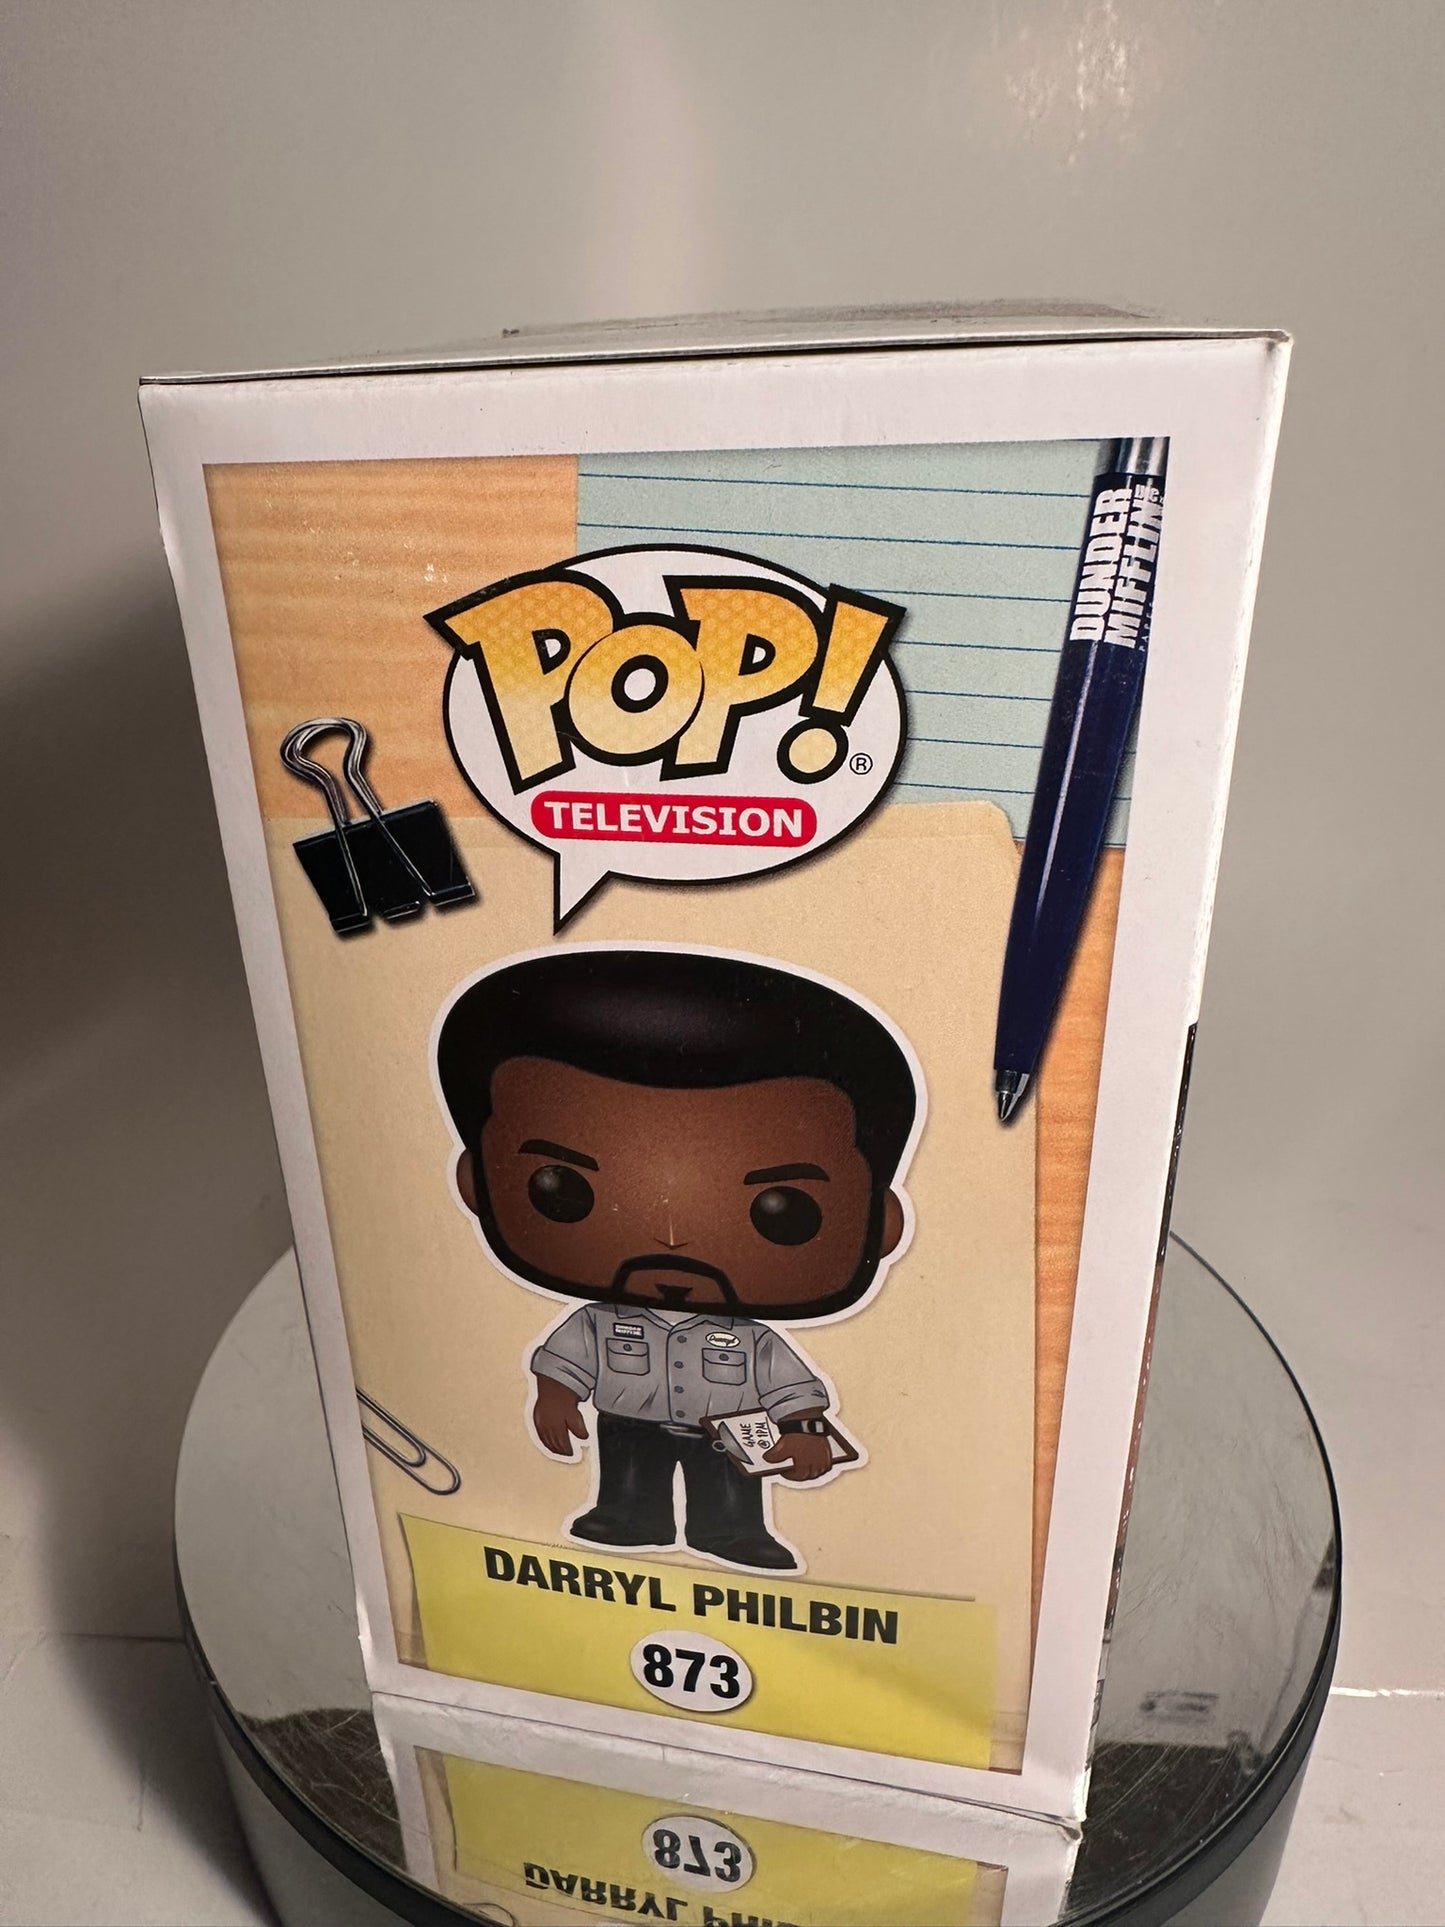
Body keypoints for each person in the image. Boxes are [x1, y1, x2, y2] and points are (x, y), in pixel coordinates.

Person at [436, 947, 920, 1571]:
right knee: (628, 1484)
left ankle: (733, 1533)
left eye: (783, 1211)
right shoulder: (600, 1322)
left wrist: (804, 1434)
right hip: (627, 1422)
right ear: (478, 1184)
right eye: (561, 1188)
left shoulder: (751, 1339)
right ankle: (627, 1516)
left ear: (881, 1225)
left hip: (728, 1431)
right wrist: (554, 1398)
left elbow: (790, 1388)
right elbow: (566, 1362)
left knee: (730, 1496)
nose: (670, 1241)